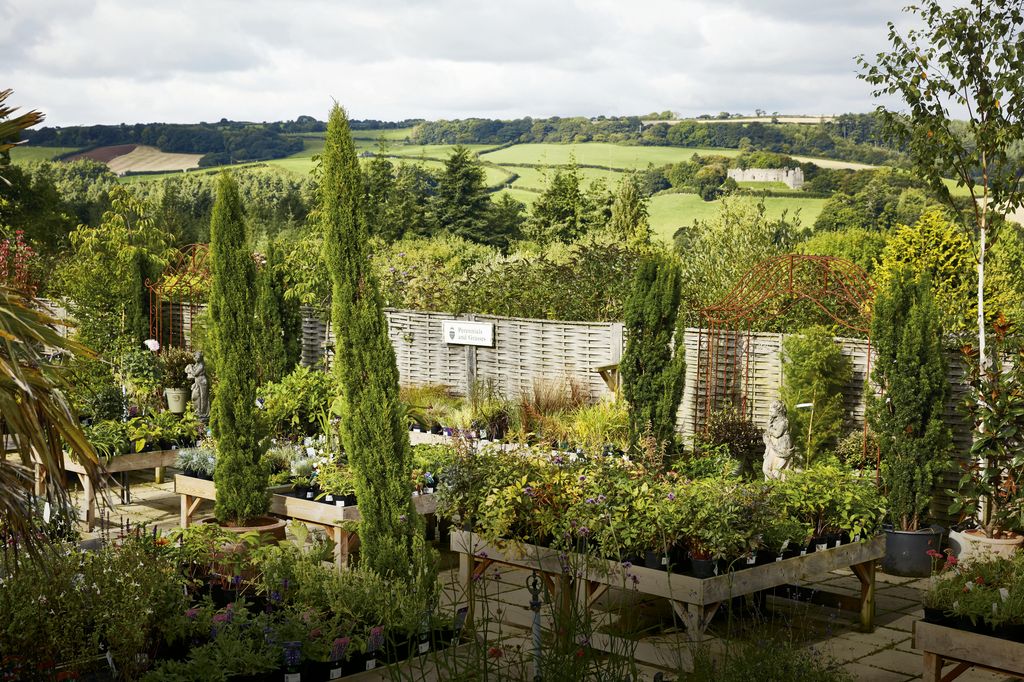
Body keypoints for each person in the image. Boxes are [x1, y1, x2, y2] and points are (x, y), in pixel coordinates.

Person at [762, 399, 794, 479]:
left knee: (777, 469)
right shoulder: (774, 421)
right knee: (767, 469)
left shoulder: (784, 422)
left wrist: (769, 428)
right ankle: (773, 485)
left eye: (771, 411)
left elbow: (777, 434)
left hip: (782, 448)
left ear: (779, 412)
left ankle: (775, 486)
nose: (769, 413)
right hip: (774, 446)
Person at [186, 351, 210, 422]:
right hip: (197, 383)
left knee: (203, 398)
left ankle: (203, 413)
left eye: (198, 357)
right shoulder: (197, 364)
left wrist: (190, 368)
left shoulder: (201, 365)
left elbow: (195, 374)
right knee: (196, 397)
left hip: (202, 382)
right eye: (195, 357)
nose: (196, 358)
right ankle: (198, 411)